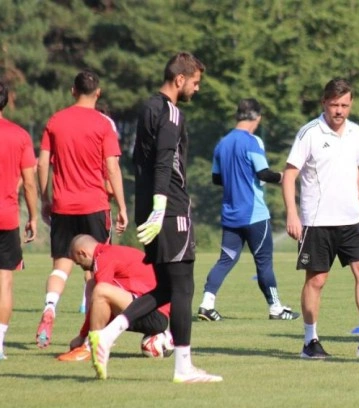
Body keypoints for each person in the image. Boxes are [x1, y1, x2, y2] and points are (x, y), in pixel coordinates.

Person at [89, 52, 222, 383]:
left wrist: (146, 209)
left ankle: (107, 335)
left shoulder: (147, 107)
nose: (197, 89)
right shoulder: (171, 112)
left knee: (165, 287)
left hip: (152, 210)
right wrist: (161, 206)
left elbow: (140, 162)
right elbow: (164, 159)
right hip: (170, 210)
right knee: (183, 288)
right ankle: (183, 368)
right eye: (195, 82)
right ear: (180, 79)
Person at [283, 78, 359, 359]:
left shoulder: (355, 132)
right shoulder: (309, 133)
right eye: (334, 105)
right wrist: (292, 213)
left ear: (351, 104)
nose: (339, 110)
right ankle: (310, 341)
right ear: (324, 103)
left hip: (352, 219)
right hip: (317, 222)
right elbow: (289, 175)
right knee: (317, 280)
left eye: (344, 105)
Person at [36, 70, 127, 348]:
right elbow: (112, 167)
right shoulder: (103, 124)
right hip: (95, 206)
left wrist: (45, 199)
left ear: (73, 91)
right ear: (98, 93)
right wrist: (122, 206)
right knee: (98, 270)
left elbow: (43, 163)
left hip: (64, 206)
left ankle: (50, 308)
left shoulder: (56, 120)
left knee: (61, 266)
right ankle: (92, 332)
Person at [197, 98, 299, 322]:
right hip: (255, 215)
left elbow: (216, 178)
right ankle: (276, 308)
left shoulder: (222, 144)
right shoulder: (252, 142)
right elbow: (263, 174)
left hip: (231, 215)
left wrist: (236, 179)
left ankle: (206, 304)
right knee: (264, 262)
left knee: (225, 260)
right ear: (257, 118)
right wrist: (283, 177)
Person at [58, 235, 172, 362]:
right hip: (152, 311)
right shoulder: (111, 252)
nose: (82, 267)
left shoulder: (103, 258)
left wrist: (82, 335)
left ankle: (91, 347)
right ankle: (92, 342)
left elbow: (100, 297)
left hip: (154, 315)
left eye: (79, 263)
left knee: (100, 290)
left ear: (82, 253)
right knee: (93, 285)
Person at [0, 81, 38, 360]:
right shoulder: (20, 135)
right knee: (5, 280)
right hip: (6, 216)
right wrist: (33, 216)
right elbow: (29, 183)